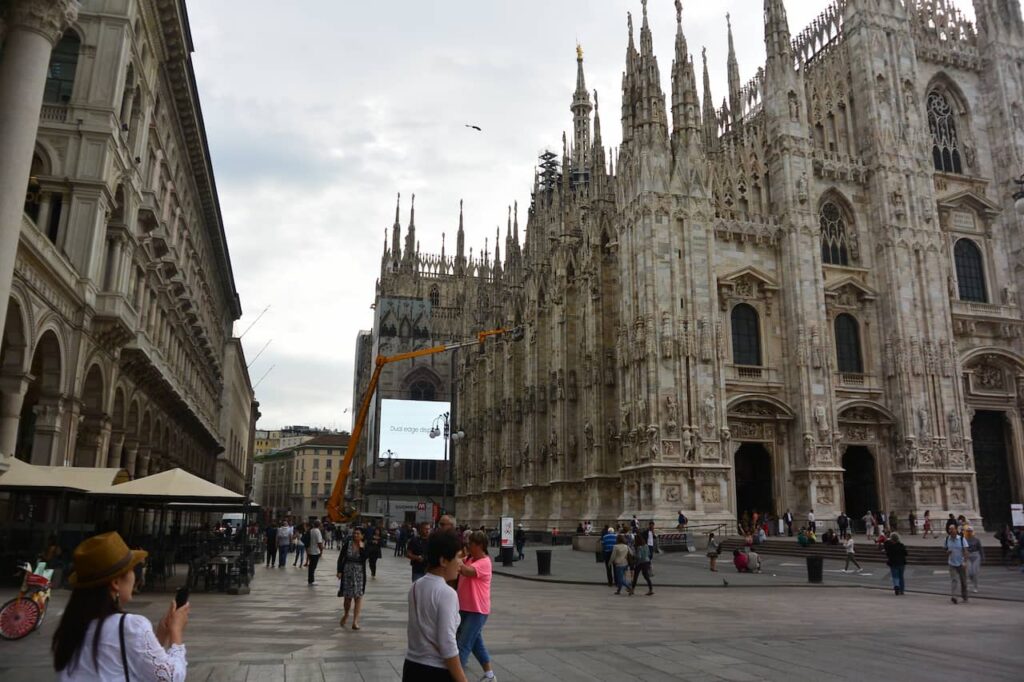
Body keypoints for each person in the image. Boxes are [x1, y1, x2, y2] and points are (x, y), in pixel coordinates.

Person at [52, 532, 188, 681]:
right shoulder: (130, 626)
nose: (134, 576)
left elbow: (132, 661)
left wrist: (161, 634)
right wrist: (176, 631)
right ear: (116, 583)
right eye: (131, 570)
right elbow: (171, 677)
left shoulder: (71, 625)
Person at [403, 531, 469, 682]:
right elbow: (447, 644)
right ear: (443, 561)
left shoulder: (416, 586)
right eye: (458, 557)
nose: (461, 563)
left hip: (412, 666)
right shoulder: (447, 593)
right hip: (435, 671)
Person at [455, 531, 495, 680]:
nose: (468, 546)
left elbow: (466, 571)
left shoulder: (484, 562)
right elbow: (460, 563)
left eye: (471, 544)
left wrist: (457, 559)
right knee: (476, 643)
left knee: (463, 645)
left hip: (477, 610)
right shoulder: (470, 558)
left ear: (480, 546)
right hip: (464, 608)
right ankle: (489, 675)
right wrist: (460, 557)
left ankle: (454, 677)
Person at [337, 528, 368, 630]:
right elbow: (341, 558)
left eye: (358, 534)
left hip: (359, 573)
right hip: (348, 572)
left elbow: (364, 558)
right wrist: (339, 571)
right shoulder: (347, 544)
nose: (355, 535)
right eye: (354, 533)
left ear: (362, 536)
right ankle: (346, 614)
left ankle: (355, 621)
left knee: (358, 596)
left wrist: (362, 548)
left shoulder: (363, 545)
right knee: (348, 597)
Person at [944, 524, 969, 604]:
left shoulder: (962, 539)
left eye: (952, 529)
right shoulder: (947, 539)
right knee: (954, 580)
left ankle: (964, 596)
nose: (950, 531)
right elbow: (945, 550)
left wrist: (965, 562)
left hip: (961, 563)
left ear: (956, 530)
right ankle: (954, 596)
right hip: (952, 563)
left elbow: (965, 551)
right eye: (949, 529)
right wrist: (947, 552)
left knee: (963, 581)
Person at [630, 531, 654, 595]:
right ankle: (650, 589)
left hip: (640, 563)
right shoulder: (646, 546)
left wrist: (634, 556)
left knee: (636, 576)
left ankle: (632, 589)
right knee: (646, 576)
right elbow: (648, 553)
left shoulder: (639, 547)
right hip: (646, 561)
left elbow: (639, 556)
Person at [964, 526, 984, 593]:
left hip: (976, 556)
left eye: (970, 531)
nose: (969, 532)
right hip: (968, 556)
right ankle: (972, 581)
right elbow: (963, 549)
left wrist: (983, 557)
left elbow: (980, 548)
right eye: (968, 531)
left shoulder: (976, 540)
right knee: (970, 572)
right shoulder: (964, 540)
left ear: (972, 532)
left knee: (975, 572)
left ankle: (975, 587)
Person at [307, 520, 324, 585]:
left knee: (311, 566)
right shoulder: (317, 531)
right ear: (319, 525)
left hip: (310, 550)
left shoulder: (311, 530)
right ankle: (311, 580)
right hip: (315, 551)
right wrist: (321, 550)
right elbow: (319, 542)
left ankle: (310, 580)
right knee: (313, 566)